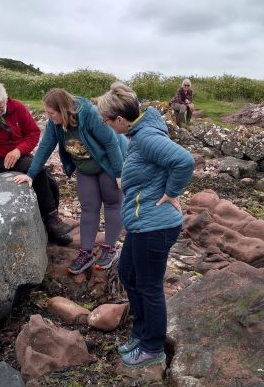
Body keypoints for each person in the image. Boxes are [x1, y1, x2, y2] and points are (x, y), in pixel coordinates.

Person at [97, 82, 195, 369]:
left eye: (106, 119)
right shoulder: (137, 134)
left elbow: (184, 161)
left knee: (149, 286)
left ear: (120, 119)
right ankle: (140, 333)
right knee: (128, 274)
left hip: (155, 226)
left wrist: (172, 192)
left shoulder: (147, 137)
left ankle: (153, 347)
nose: (104, 123)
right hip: (142, 224)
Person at [13, 88, 128, 274]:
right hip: (85, 167)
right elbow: (45, 147)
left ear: (63, 110)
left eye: (51, 113)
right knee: (88, 207)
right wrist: (31, 174)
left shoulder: (90, 115)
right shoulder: (54, 124)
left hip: (109, 164)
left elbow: (111, 143)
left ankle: (110, 248)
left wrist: (119, 173)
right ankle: (86, 252)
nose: (49, 117)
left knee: (112, 204)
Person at [0, 80, 74, 245]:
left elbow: (33, 133)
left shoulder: (17, 107)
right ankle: (52, 221)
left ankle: (51, 222)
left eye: (2, 106)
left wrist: (19, 150)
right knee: (39, 171)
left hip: (20, 155)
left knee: (49, 180)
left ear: (6, 99)